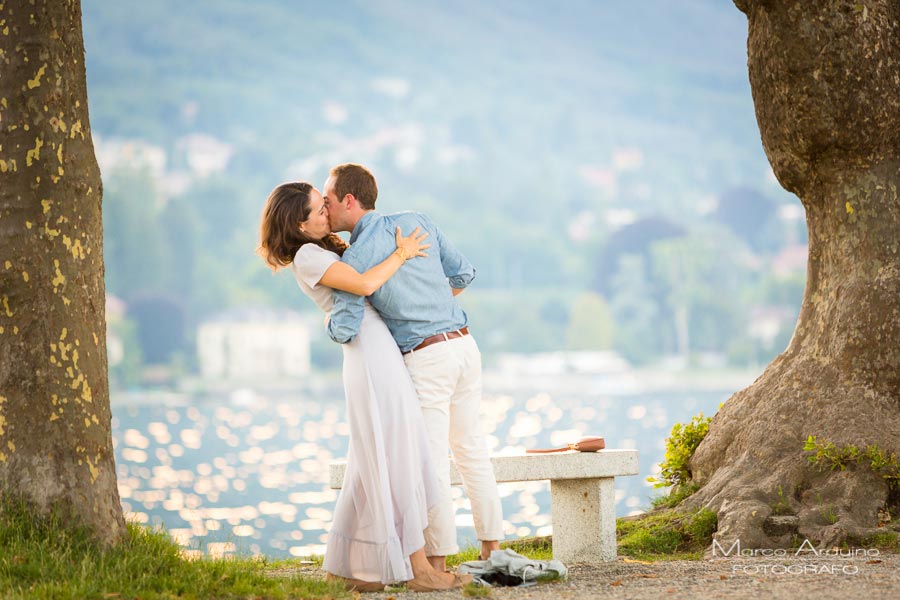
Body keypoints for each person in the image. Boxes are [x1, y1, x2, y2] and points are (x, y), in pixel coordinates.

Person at [257, 181, 470, 592]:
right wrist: (402, 254)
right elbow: (365, 285)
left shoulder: (320, 250)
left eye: (325, 205)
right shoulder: (306, 256)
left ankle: (343, 569)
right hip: (369, 354)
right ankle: (417, 568)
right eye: (319, 209)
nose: (327, 213)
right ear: (298, 224)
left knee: (369, 460)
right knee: (396, 453)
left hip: (377, 347)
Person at [325, 164, 504, 574]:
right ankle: (492, 551)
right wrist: (433, 303)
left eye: (329, 201)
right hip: (464, 345)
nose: (325, 208)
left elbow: (347, 327)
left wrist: (330, 320)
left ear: (349, 201)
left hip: (427, 358)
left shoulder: (355, 258)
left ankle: (437, 565)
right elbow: (463, 272)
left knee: (432, 462)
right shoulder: (417, 221)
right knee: (472, 449)